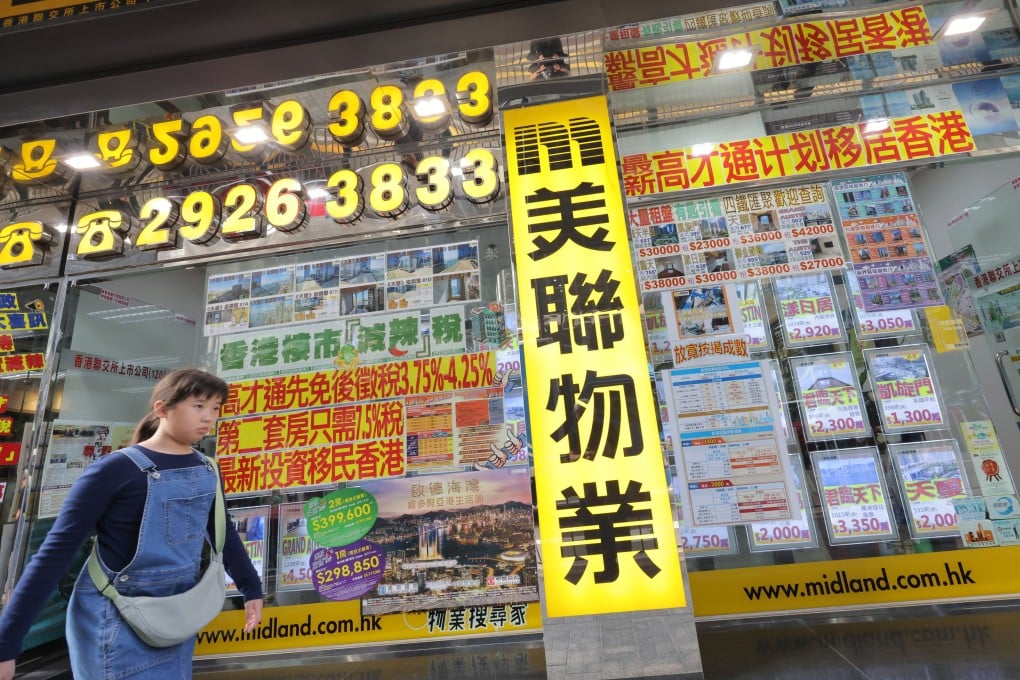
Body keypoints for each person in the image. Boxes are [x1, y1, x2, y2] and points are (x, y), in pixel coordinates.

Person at [0, 368, 263, 679]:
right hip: (114, 622)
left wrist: (251, 587)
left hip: (176, 618)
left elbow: (222, 532)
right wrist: (7, 643)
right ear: (162, 409)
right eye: (198, 406)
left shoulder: (207, 468)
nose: (209, 417)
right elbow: (55, 553)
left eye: (215, 408)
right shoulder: (114, 470)